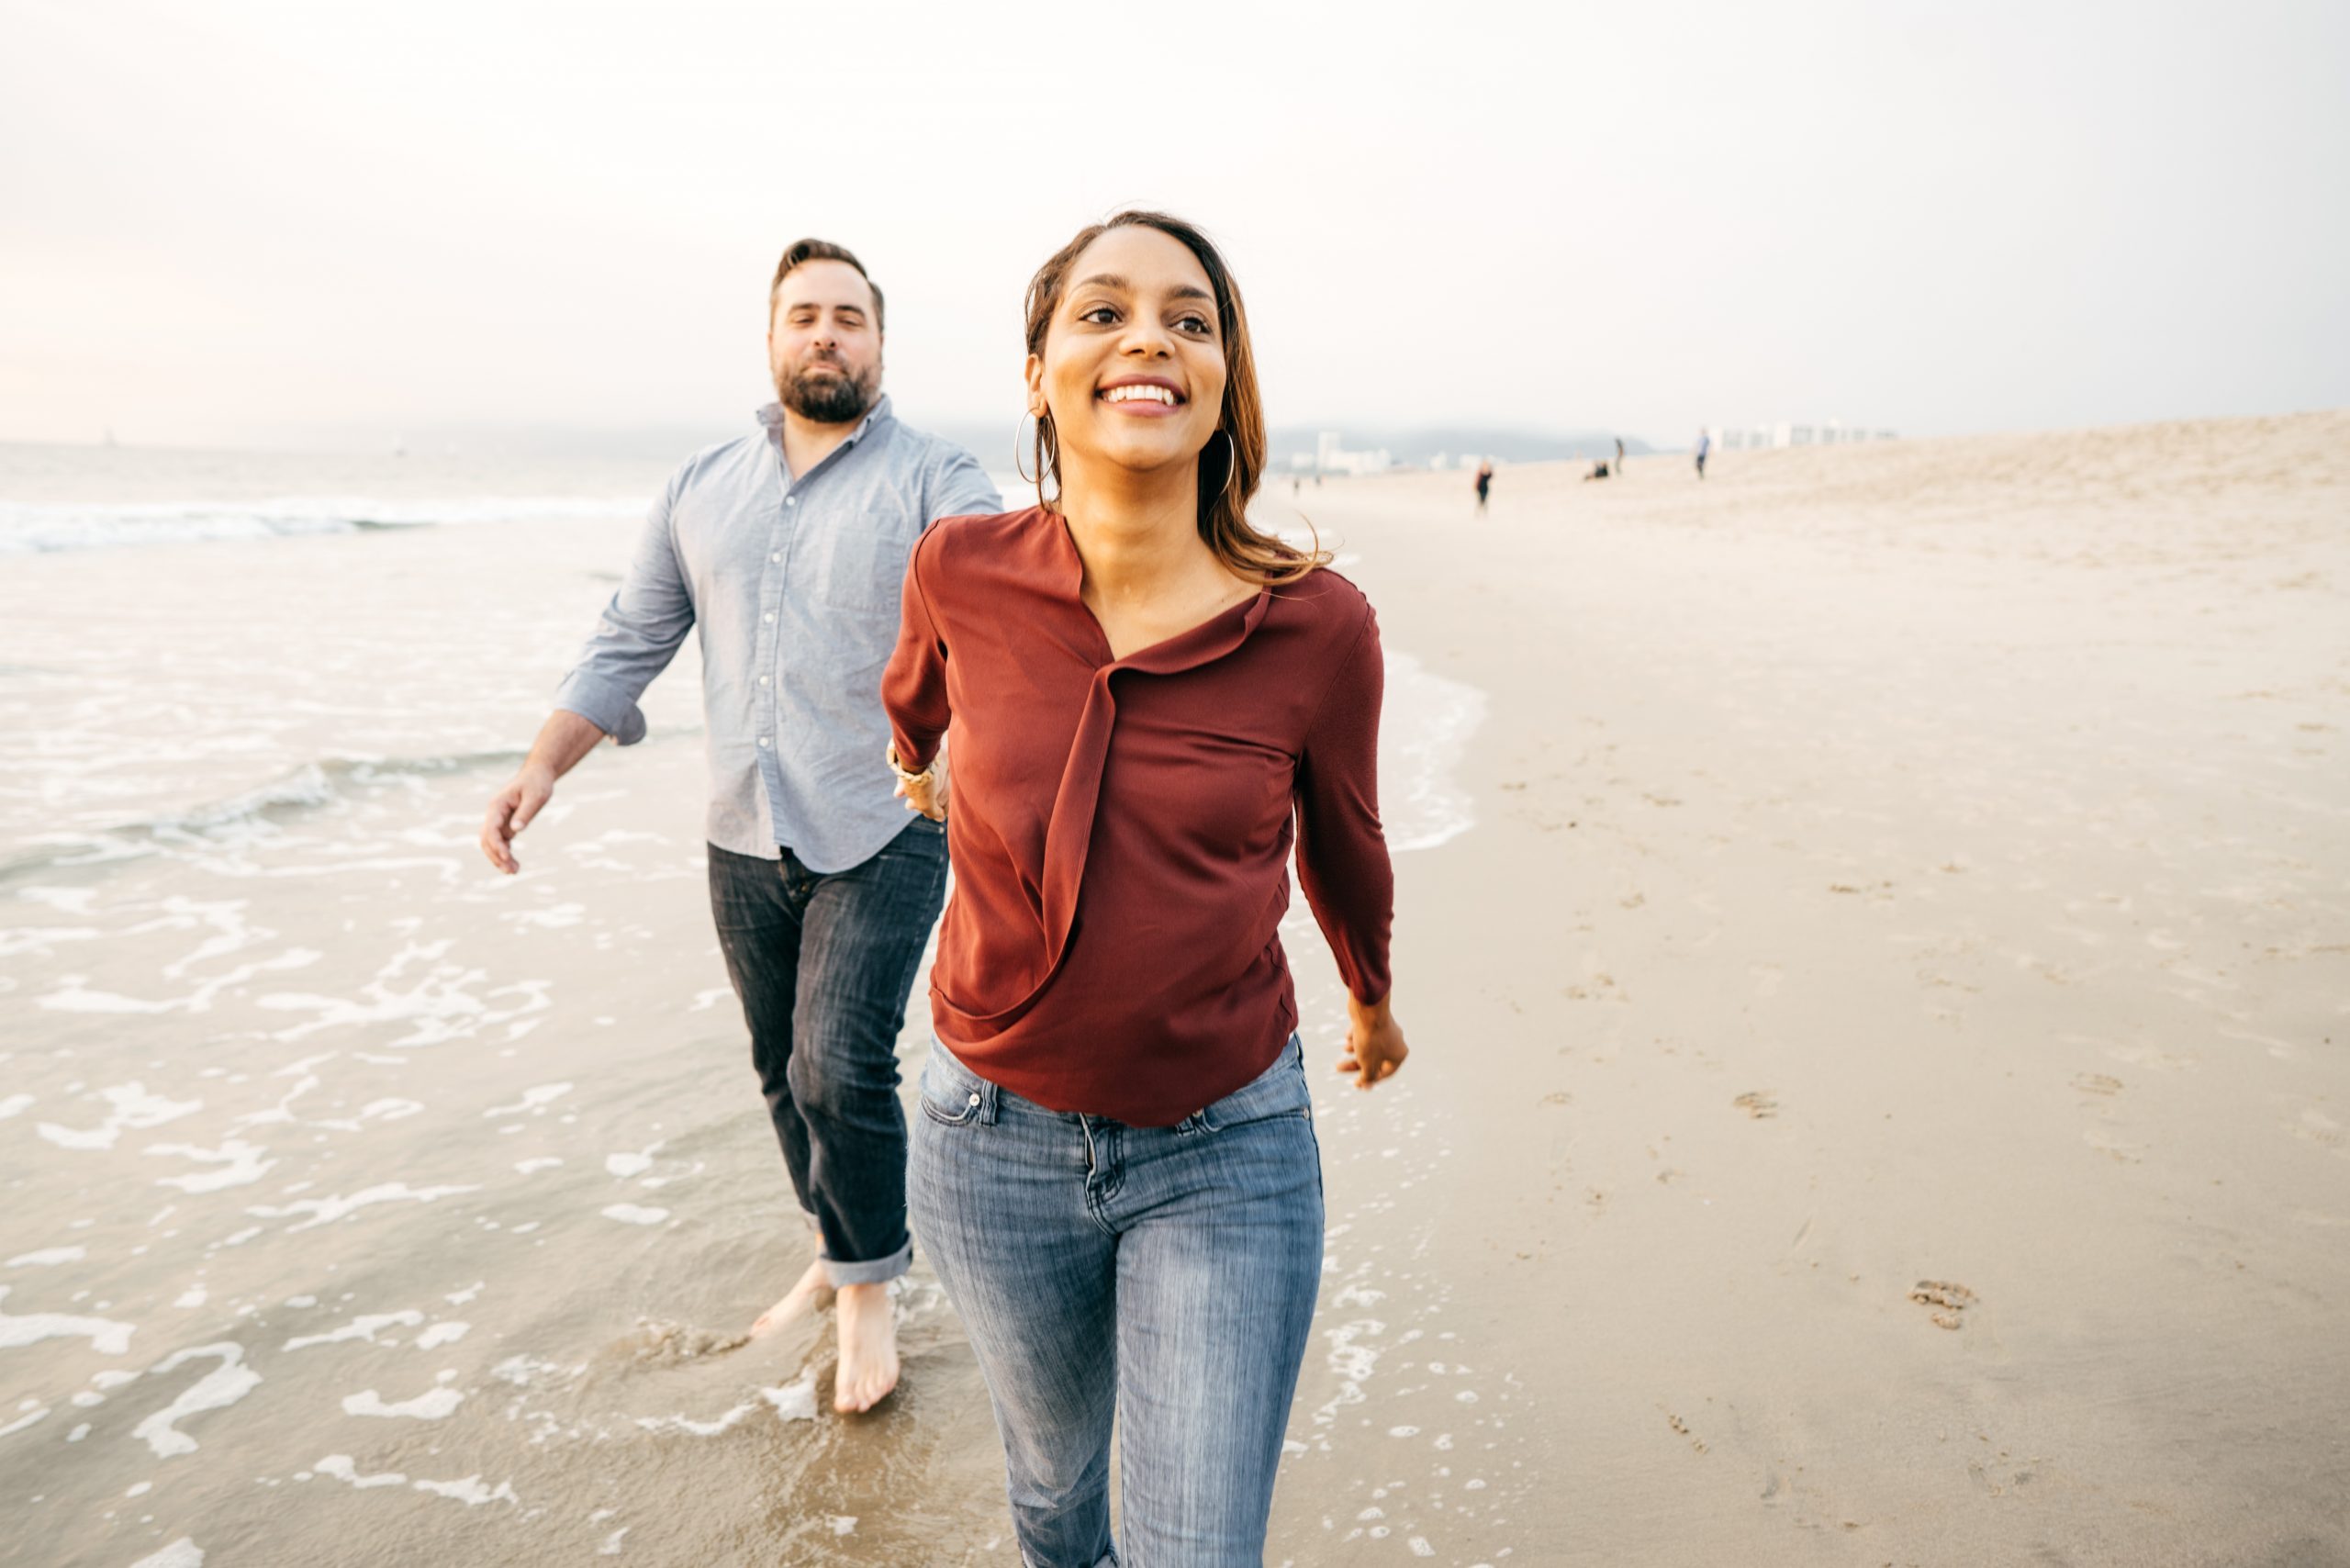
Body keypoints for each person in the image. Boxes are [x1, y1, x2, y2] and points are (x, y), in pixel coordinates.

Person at [882, 210, 1408, 1565]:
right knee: (1057, 1498)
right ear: (1039, 367)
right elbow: (915, 698)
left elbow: (1342, 839)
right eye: (1103, 312)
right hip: (985, 1134)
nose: (1148, 340)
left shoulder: (1316, 622)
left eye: (1191, 317)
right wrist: (918, 768)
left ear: (1226, 378)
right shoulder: (960, 568)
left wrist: (1372, 999)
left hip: (1224, 1144)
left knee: (1196, 1550)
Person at [478, 239, 999, 1414]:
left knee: (836, 1059)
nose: (826, 333)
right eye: (805, 315)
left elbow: (1000, 608)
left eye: (849, 318)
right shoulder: (699, 484)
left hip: (889, 816)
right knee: (778, 1068)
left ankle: (867, 1286)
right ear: (771, 340)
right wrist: (542, 766)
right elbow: (629, 637)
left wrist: (980, 743)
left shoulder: (936, 476)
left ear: (879, 342)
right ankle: (836, 1241)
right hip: (741, 827)